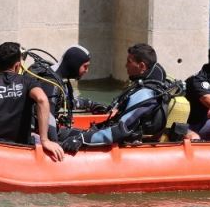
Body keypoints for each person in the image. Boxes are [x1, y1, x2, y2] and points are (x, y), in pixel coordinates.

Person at [61, 43, 189, 151]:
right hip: (119, 135)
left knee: (61, 136)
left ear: (142, 66)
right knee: (63, 132)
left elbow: (120, 130)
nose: (126, 65)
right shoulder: (152, 87)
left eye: (129, 61)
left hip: (124, 144)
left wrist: (82, 139)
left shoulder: (145, 94)